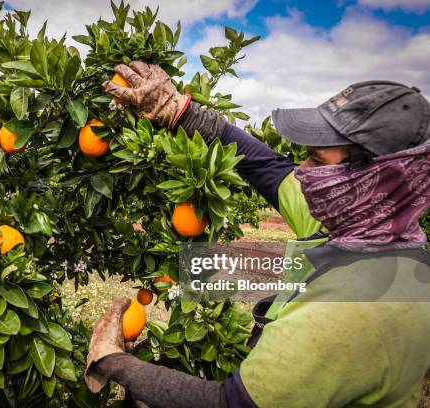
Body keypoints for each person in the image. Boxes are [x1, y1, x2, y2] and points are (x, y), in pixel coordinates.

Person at [84, 61, 430, 407]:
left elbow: (230, 404)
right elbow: (263, 164)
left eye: (319, 162)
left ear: (378, 181)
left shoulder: (361, 308)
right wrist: (175, 109)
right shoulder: (356, 217)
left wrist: (113, 359)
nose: (303, 173)